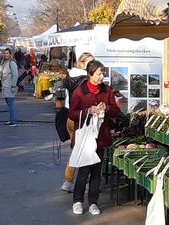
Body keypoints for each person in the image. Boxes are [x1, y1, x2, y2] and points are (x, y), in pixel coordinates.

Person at [68, 60, 120, 215]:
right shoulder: (79, 91)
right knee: (84, 170)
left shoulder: (107, 90)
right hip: (85, 137)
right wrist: (88, 111)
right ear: (90, 74)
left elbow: (116, 111)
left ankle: (93, 202)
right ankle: (78, 200)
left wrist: (108, 108)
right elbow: (71, 113)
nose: (101, 76)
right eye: (99, 73)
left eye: (103, 73)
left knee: (97, 171)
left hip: (101, 136)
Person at [61, 52, 94, 193]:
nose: (92, 65)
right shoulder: (84, 79)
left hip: (70, 116)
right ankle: (81, 183)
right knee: (85, 150)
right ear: (82, 62)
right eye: (90, 62)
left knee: (76, 150)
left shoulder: (70, 75)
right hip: (81, 117)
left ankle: (68, 181)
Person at [0, 49, 19, 127]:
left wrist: (13, 85)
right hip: (5, 86)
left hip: (10, 86)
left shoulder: (12, 63)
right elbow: (1, 73)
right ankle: (11, 119)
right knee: (9, 103)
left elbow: (15, 75)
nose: (5, 54)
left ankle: (13, 121)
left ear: (10, 54)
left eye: (7, 53)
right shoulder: (3, 62)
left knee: (10, 104)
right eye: (4, 53)